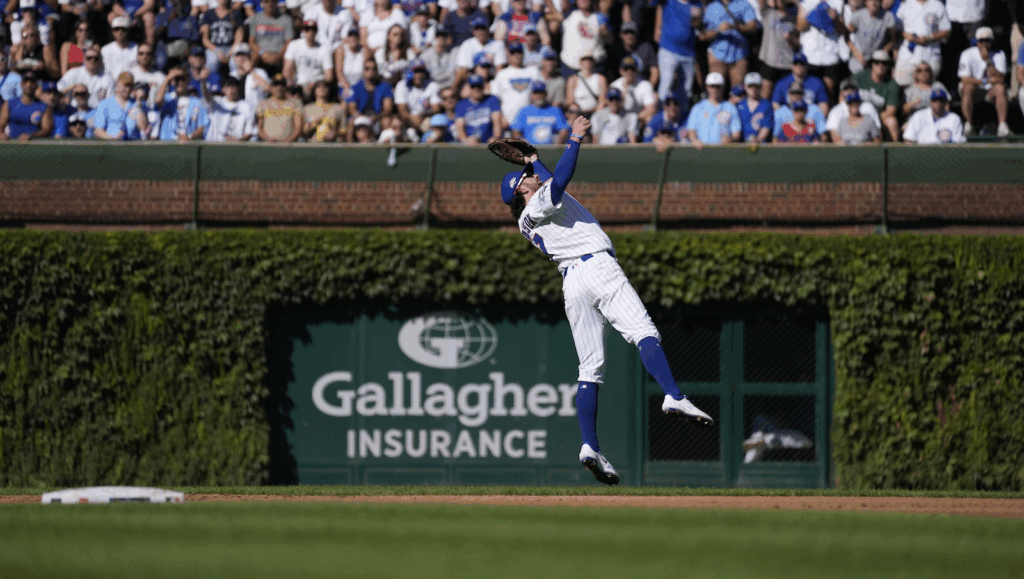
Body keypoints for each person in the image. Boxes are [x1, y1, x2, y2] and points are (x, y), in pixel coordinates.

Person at [498, 114, 713, 484]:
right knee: (643, 331)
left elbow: (549, 179)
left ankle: (590, 446)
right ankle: (673, 394)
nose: (535, 177)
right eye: (529, 178)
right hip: (597, 268)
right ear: (522, 189)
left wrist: (533, 159)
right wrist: (575, 138)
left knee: (590, 368)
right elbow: (560, 180)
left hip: (572, 282)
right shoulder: (539, 202)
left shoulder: (526, 219)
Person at [958, 26, 1010, 136]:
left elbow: (1000, 78)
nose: (984, 44)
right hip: (975, 90)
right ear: (977, 42)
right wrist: (985, 81)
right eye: (981, 41)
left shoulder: (999, 54)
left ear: (992, 41)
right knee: (967, 88)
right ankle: (969, 124)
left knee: (1000, 88)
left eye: (987, 40)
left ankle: (1002, 125)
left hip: (990, 91)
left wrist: (987, 61)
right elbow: (965, 79)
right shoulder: (967, 54)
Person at [700, 0, 760, 90]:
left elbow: (752, 27)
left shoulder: (743, 4)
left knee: (738, 91)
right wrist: (718, 30)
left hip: (739, 55)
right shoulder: (711, 7)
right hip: (716, 55)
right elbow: (704, 36)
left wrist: (735, 26)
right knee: (716, 90)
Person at [795, 0, 846, 98]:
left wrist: (835, 19)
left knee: (828, 94)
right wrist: (814, 15)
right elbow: (800, 27)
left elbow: (842, 30)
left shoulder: (838, 2)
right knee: (808, 93)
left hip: (830, 57)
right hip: (810, 56)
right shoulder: (806, 2)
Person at [894, 0, 950, 86]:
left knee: (927, 88)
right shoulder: (905, 4)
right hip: (908, 53)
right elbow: (897, 27)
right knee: (903, 85)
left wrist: (929, 38)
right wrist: (905, 34)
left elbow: (946, 30)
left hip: (931, 54)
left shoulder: (937, 5)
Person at [654, 0, 701, 104]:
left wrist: (697, 17)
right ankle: (662, 115)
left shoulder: (697, 3)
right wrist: (657, 27)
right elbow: (656, 4)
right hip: (668, 48)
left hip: (689, 52)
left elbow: (697, 25)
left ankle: (683, 117)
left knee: (686, 90)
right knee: (667, 83)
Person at [852, 49, 900, 140]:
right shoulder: (860, 77)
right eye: (877, 62)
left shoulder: (892, 85)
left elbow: (891, 110)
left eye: (884, 63)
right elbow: (844, 94)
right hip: (857, 115)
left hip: (878, 119)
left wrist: (872, 120)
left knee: (892, 121)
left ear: (888, 66)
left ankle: (894, 151)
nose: (880, 65)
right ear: (871, 64)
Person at [492, 41, 541, 128]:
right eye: (513, 52)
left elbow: (540, 95)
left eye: (519, 52)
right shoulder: (502, 74)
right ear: (508, 55)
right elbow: (495, 99)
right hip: (507, 121)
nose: (516, 55)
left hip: (530, 122)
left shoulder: (533, 71)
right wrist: (501, 118)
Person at [757, 0, 800, 100]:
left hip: (788, 63)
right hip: (770, 61)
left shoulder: (794, 13)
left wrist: (791, 39)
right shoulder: (768, 13)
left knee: (788, 97)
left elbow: (800, 42)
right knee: (765, 95)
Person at [685, 71, 741, 148]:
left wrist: (730, 139)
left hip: (723, 151)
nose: (715, 89)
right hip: (702, 150)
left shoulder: (730, 107)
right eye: (712, 86)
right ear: (707, 87)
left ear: (723, 87)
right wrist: (695, 141)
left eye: (718, 86)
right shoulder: (698, 107)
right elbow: (691, 130)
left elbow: (736, 133)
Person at [344, 57, 394, 139]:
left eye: (374, 69)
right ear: (363, 71)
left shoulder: (385, 87)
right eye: (367, 69)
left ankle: (385, 148)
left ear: (377, 71)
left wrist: (376, 117)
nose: (371, 71)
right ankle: (349, 148)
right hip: (360, 117)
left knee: (386, 121)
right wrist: (362, 118)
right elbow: (352, 109)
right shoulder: (355, 88)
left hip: (378, 118)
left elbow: (388, 108)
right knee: (351, 122)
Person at [559, 0, 612, 76]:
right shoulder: (568, 14)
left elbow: (610, 41)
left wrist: (605, 32)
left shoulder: (600, 17)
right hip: (570, 67)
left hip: (595, 67)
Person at [155, 67, 211, 140]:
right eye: (177, 79)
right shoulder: (168, 98)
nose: (180, 82)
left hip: (188, 144)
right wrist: (168, 78)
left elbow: (202, 126)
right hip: (168, 142)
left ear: (188, 81)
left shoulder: (197, 102)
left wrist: (189, 137)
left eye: (183, 79)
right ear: (173, 81)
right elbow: (158, 100)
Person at [284, 20, 336, 96]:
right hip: (299, 84)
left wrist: (314, 84)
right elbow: (287, 69)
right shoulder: (294, 45)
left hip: (317, 85)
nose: (310, 32)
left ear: (316, 31)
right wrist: (291, 84)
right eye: (307, 29)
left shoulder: (324, 49)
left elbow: (329, 76)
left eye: (313, 29)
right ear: (303, 31)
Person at [454, 15, 507, 88]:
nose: (480, 32)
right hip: (472, 79)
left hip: (492, 78)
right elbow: (464, 69)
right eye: (477, 29)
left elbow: (500, 68)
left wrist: (493, 85)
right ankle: (454, 90)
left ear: (488, 29)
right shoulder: (467, 44)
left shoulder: (497, 44)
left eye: (483, 28)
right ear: (473, 31)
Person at [845, 0, 895, 75]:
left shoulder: (888, 17)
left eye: (876, 1)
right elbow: (846, 36)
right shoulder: (858, 15)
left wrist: (883, 52)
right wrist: (855, 51)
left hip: (876, 61)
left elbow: (893, 39)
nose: (874, 3)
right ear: (866, 2)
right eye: (871, 0)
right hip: (858, 58)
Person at [511, 79, 568, 144]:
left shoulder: (555, 111)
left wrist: (559, 140)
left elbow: (564, 130)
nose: (538, 96)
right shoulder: (524, 111)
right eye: (536, 93)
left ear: (546, 94)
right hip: (530, 150)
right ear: (531, 95)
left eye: (541, 93)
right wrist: (522, 142)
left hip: (549, 149)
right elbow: (515, 131)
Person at [0, 71, 53, 141]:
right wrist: (1, 134)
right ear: (21, 84)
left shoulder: (44, 107)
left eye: (32, 82)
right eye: (26, 81)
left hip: (34, 146)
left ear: (37, 85)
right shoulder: (9, 104)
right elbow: (1, 124)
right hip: (12, 144)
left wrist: (31, 136)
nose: (28, 84)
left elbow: (46, 130)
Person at [205, 75, 258, 141]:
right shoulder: (217, 102)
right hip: (216, 145)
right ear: (222, 89)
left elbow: (250, 131)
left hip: (238, 147)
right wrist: (202, 81)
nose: (230, 90)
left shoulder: (247, 107)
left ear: (238, 88)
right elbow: (206, 96)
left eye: (233, 87)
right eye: (227, 87)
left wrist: (237, 142)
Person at [609, 55, 657, 126]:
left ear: (636, 70)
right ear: (621, 71)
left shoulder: (645, 85)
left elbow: (651, 108)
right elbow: (612, 108)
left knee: (650, 118)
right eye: (626, 69)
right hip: (619, 118)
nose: (629, 72)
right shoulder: (614, 86)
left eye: (632, 69)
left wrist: (634, 119)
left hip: (638, 118)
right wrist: (624, 92)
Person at [394, 58, 441, 131]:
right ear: (409, 73)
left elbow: (436, 108)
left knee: (435, 121)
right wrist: (412, 117)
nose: (418, 75)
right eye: (415, 72)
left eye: (421, 72)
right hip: (408, 119)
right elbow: (402, 109)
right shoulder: (402, 85)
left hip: (426, 118)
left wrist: (424, 114)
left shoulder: (432, 85)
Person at [201, 0, 245, 75]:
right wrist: (217, 51)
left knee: (234, 63)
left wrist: (232, 51)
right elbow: (205, 39)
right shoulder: (208, 14)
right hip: (214, 47)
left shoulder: (235, 13)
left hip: (231, 47)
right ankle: (212, 84)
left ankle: (235, 83)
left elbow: (239, 35)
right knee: (212, 61)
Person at [248, 0, 294, 72]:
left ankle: (287, 81)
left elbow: (289, 42)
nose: (270, 4)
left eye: (273, 1)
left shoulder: (286, 19)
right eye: (266, 2)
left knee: (290, 57)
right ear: (262, 3)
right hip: (262, 53)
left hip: (280, 53)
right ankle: (250, 77)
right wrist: (262, 53)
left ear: (277, 3)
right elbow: (251, 41)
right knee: (253, 56)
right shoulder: (255, 19)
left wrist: (279, 55)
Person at [454, 72, 500, 143]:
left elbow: (497, 122)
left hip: (488, 141)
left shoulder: (492, 100)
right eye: (473, 86)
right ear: (469, 87)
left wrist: (495, 138)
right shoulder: (461, 105)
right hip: (470, 142)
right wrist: (466, 141)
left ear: (483, 87)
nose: (476, 89)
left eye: (479, 86)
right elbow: (460, 127)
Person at [607, 21, 657, 85]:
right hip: (622, 85)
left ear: (637, 34)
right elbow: (610, 72)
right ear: (621, 35)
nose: (629, 36)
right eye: (626, 33)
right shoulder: (616, 49)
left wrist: (649, 88)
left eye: (632, 33)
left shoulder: (646, 47)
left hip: (641, 84)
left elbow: (654, 70)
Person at [257, 73, 303, 141]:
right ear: (271, 87)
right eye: (276, 85)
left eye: (282, 85)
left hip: (289, 146)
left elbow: (298, 127)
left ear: (286, 87)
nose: (279, 88)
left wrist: (288, 141)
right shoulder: (263, 104)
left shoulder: (295, 104)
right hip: (268, 145)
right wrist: (267, 139)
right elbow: (259, 128)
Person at [93, 71, 137, 140]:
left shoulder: (136, 104)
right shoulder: (105, 104)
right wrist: (112, 138)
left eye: (130, 86)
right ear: (117, 84)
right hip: (112, 145)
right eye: (125, 85)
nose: (128, 89)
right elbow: (98, 130)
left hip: (134, 145)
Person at [231, 44, 272, 111]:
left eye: (244, 55)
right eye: (238, 55)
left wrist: (251, 71)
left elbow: (269, 89)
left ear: (249, 57)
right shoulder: (232, 75)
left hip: (258, 111)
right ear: (234, 58)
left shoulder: (259, 72)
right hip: (239, 113)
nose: (241, 58)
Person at [564, 52, 605, 116]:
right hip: (577, 113)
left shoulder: (600, 78)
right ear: (580, 63)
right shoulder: (573, 79)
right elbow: (569, 100)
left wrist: (597, 113)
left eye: (589, 61)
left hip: (595, 112)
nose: (587, 63)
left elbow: (602, 100)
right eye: (584, 61)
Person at [736, 71, 773, 142]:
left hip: (760, 145)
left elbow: (766, 127)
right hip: (742, 145)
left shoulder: (766, 105)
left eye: (756, 86)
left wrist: (757, 140)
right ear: (745, 87)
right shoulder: (739, 105)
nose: (753, 89)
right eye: (750, 86)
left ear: (761, 87)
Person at [128, 43, 166, 108]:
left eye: (148, 54)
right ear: (137, 56)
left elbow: (163, 101)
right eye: (141, 53)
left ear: (153, 56)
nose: (144, 56)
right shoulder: (129, 74)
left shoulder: (161, 77)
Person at [101, 15, 138, 79]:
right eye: (116, 29)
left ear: (128, 31)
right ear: (112, 32)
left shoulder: (137, 48)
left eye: (123, 29)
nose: (120, 32)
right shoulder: (105, 50)